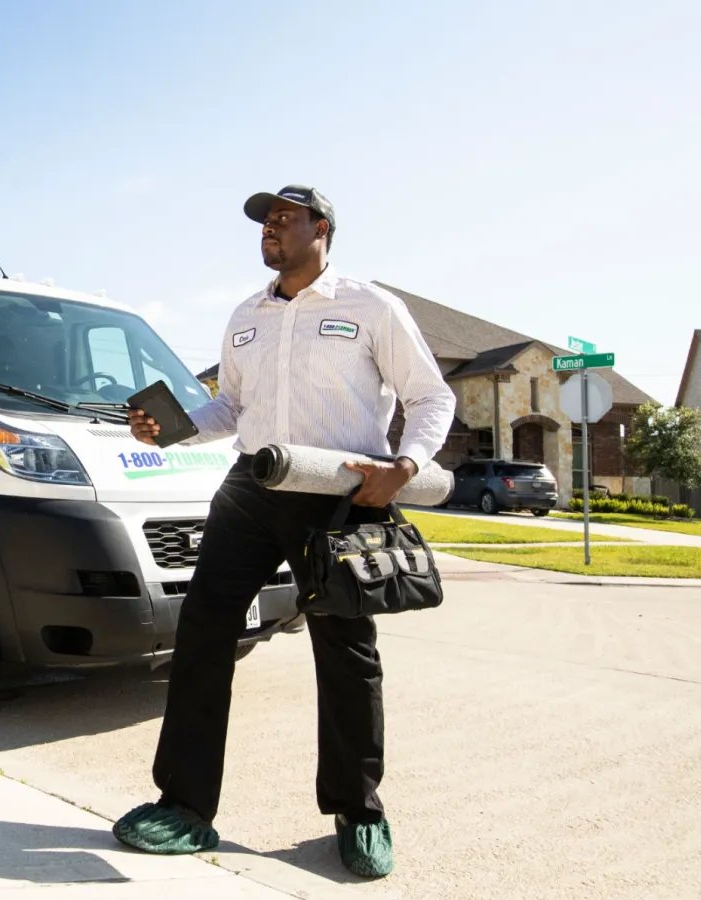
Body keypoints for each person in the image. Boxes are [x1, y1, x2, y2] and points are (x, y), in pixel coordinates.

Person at [113, 185, 456, 878]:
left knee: (346, 652)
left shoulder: (370, 307)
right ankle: (183, 807)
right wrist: (172, 430)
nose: (269, 228)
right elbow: (232, 407)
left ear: (321, 228)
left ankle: (359, 813)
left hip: (338, 497)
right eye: (264, 220)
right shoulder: (248, 315)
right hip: (251, 487)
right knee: (204, 634)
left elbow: (432, 396)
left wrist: (407, 464)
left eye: (283, 218)